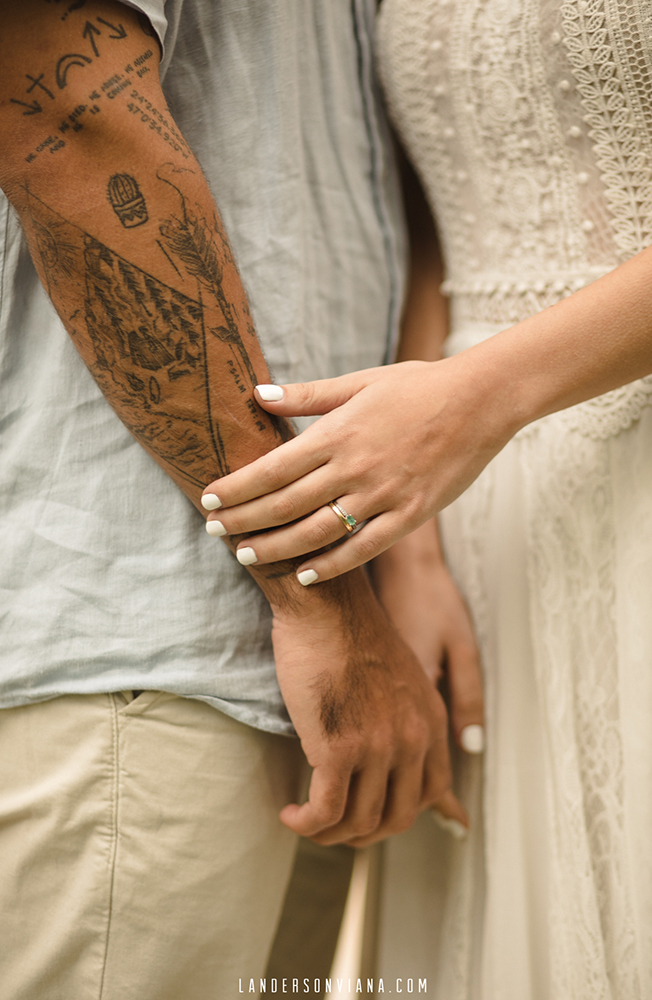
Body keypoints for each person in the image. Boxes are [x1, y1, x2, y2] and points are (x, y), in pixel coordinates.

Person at [0, 1, 486, 997]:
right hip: (139, 642)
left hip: (301, 659)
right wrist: (326, 603)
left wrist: (394, 562)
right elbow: (74, 125)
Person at [200, 0, 652, 995]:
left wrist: (483, 395)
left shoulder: (483, 403)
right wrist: (407, 545)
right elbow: (424, 218)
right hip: (473, 501)